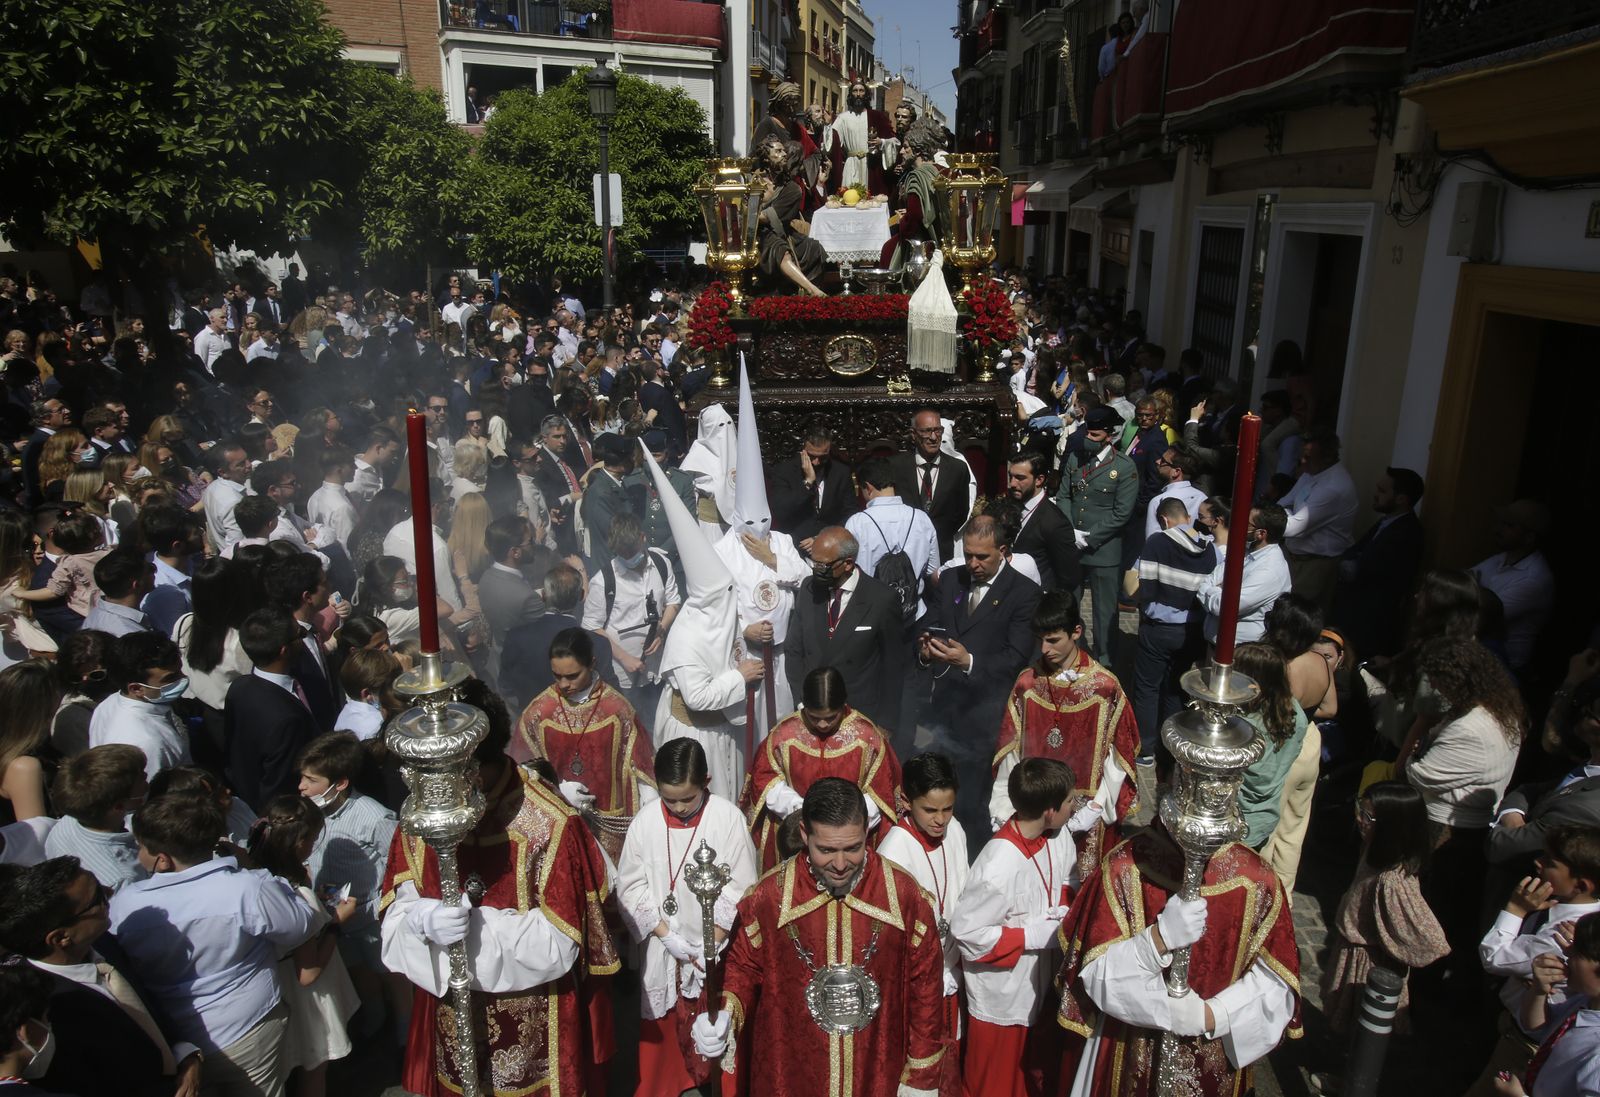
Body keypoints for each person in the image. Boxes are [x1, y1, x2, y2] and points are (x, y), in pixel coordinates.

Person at [379, 680, 619, 1097]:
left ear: (474, 765)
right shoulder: (423, 815)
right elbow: (399, 903)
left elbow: (562, 941)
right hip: (452, 1015)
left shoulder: (549, 824)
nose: (438, 792)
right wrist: (423, 919)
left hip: (532, 1021)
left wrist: (479, 929)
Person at [689, 778, 948, 1097]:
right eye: (826, 850)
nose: (840, 864)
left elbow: (926, 988)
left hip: (877, 1070)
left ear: (866, 832)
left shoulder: (904, 897)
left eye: (852, 848)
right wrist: (725, 1014)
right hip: (793, 1071)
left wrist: (921, 1075)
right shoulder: (768, 899)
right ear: (803, 835)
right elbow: (741, 969)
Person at [1054, 800, 1300, 1095]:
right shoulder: (1126, 867)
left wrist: (1210, 1016)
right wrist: (1158, 940)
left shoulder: (1258, 880)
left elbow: (1275, 984)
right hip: (1128, 1046)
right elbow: (1094, 975)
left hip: (1217, 1059)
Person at [110, 789, 317, 1097]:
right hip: (249, 1028)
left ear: (163, 860)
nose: (138, 853)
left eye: (141, 846)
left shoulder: (125, 904)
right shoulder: (248, 888)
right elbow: (300, 926)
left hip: (174, 1037)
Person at [615, 739, 760, 1097]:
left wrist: (710, 942)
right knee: (663, 1041)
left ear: (706, 781)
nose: (678, 807)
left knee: (718, 1032)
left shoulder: (727, 819)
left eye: (687, 799)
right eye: (670, 799)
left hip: (717, 948)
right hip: (667, 948)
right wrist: (667, 936)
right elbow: (630, 888)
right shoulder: (645, 822)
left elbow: (741, 887)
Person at [0, 856, 203, 1097]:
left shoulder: (103, 942)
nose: (109, 892)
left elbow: (145, 1006)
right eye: (97, 899)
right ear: (60, 938)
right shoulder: (36, 1003)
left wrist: (185, 1054)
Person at [953, 757, 1085, 1097]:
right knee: (995, 1086)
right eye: (1071, 800)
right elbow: (967, 934)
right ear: (1049, 811)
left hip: (1042, 989)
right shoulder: (998, 865)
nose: (1076, 805)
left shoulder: (1058, 836)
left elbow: (1069, 878)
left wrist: (1065, 911)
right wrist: (1029, 936)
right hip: (1005, 1000)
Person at [1403, 636, 1525, 994]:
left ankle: (1419, 989)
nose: (1436, 688)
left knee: (1429, 911)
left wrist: (1414, 749)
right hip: (1458, 827)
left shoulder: (1472, 727)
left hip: (1446, 831)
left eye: (1441, 681)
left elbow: (1419, 772)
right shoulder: (1495, 710)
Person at [642, 443, 763, 803]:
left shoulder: (714, 618)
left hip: (723, 730)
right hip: (697, 736)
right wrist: (739, 677)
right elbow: (697, 696)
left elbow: (727, 641)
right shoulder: (688, 637)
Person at [990, 592, 1138, 876]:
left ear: (1076, 632)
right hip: (1033, 808)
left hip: (1084, 813)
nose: (1044, 649)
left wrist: (1096, 808)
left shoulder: (1103, 688)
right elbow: (1011, 751)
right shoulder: (1028, 683)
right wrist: (1002, 805)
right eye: (1040, 640)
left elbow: (1119, 758)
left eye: (1054, 640)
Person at [919, 514, 1042, 843]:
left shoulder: (1024, 593)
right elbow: (933, 620)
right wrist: (926, 647)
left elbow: (1017, 658)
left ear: (1002, 551)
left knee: (973, 805)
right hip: (944, 712)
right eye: (968, 554)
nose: (972, 563)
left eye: (981, 556)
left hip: (986, 719)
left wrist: (969, 662)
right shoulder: (950, 580)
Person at [1467, 825, 1600, 1095]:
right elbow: (1539, 1027)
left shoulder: (1561, 937)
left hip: (1520, 1047)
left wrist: (1516, 909)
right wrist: (1539, 990)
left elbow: (1493, 956)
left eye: (1550, 862)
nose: (1537, 862)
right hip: (1531, 1034)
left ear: (1582, 884)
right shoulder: (1588, 925)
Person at [509, 627, 657, 863]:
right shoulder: (539, 713)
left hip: (610, 825)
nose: (564, 684)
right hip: (561, 822)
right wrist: (557, 790)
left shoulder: (616, 710)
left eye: (572, 675)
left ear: (592, 664)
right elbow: (520, 773)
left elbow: (641, 768)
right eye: (557, 676)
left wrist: (650, 807)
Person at [246, 794, 361, 1097]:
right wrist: (336, 924)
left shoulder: (254, 880)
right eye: (313, 838)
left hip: (273, 987)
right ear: (300, 841)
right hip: (307, 998)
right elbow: (307, 973)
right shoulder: (299, 897)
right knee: (314, 1067)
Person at [1320, 782, 1449, 1035]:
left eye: (1368, 816)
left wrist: (1388, 945)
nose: (1360, 819)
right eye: (1361, 810)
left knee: (1364, 1032)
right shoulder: (1371, 850)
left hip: (1368, 969)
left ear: (1392, 827)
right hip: (1351, 953)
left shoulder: (1392, 881)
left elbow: (1431, 940)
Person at [875, 752, 969, 1097]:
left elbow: (963, 886)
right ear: (905, 801)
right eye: (930, 810)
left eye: (948, 809)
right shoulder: (894, 851)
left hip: (950, 970)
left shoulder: (955, 831)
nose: (940, 820)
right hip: (915, 985)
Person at [744, 667, 900, 871]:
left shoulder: (867, 738)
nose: (823, 725)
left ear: (843, 705)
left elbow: (881, 793)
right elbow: (765, 780)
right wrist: (800, 810)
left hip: (848, 839)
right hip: (798, 835)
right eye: (814, 717)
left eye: (831, 717)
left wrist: (845, 821)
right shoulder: (784, 735)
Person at [295, 732, 399, 1029]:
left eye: (311, 780)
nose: (301, 787)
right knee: (359, 974)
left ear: (340, 783)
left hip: (370, 916)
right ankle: (374, 1024)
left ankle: (403, 1035)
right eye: (302, 778)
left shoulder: (374, 817)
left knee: (389, 976)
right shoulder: (310, 813)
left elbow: (397, 864)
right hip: (332, 915)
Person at [784, 526, 908, 739]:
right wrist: (803, 702)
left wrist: (886, 724)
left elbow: (894, 667)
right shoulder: (808, 589)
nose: (815, 570)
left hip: (859, 714)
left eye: (823, 565)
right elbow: (794, 650)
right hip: (812, 713)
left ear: (847, 564)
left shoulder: (881, 599)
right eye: (814, 563)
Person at [1054, 405, 1138, 660]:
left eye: (1096, 436)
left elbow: (1122, 513)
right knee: (1070, 607)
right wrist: (1072, 531)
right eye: (1087, 434)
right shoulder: (1075, 458)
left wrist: (1089, 537)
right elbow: (1063, 496)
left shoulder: (1124, 467)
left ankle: (1105, 661)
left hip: (1104, 551)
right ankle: (1071, 656)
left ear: (1110, 435)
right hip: (1074, 546)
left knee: (1104, 614)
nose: (1089, 439)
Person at [585, 512, 682, 725]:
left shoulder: (661, 564)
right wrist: (625, 658)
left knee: (658, 723)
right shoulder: (603, 581)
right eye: (623, 553)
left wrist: (662, 629)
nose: (629, 557)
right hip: (624, 675)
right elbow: (592, 627)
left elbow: (674, 602)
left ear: (642, 538)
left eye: (632, 551)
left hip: (657, 668)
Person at [225, 609, 322, 811]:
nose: (304, 639)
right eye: (300, 635)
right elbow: (280, 786)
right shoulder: (287, 720)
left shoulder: (239, 686)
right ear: (284, 650)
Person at [1333, 466, 1425, 659]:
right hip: (1354, 618)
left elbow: (1367, 569)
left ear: (1402, 499)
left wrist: (1355, 566)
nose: (1376, 495)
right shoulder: (1386, 522)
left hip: (1370, 625)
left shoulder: (1406, 532)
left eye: (1383, 491)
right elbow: (1352, 553)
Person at [41, 744, 150, 893]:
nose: (147, 778)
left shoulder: (69, 821)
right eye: (141, 778)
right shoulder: (122, 878)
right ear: (118, 806)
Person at [87, 631, 191, 780]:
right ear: (136, 689)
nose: (183, 679)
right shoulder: (146, 744)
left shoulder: (107, 705)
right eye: (171, 678)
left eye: (179, 671)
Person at [1470, 499, 1555, 673]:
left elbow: (1483, 617)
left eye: (1508, 525)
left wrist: (1466, 594)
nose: (1498, 529)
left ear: (1529, 537)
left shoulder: (1533, 578)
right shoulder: (1501, 558)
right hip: (1479, 655)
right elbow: (1463, 579)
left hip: (1504, 667)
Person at [1279, 430, 1359, 612]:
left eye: (1308, 457)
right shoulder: (1311, 473)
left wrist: (1278, 515)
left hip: (1314, 565)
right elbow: (1286, 501)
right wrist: (1284, 512)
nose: (1302, 462)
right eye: (1302, 456)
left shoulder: (1333, 488)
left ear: (1327, 457)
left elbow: (1294, 527)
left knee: (1295, 615)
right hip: (1293, 557)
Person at [846, 457, 941, 611]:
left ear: (868, 487)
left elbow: (848, 570)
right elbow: (933, 570)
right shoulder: (922, 519)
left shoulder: (857, 523)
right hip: (913, 611)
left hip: (869, 612)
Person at [1196, 501, 1292, 648]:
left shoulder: (1270, 570)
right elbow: (1207, 580)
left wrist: (1213, 589)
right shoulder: (1244, 550)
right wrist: (1217, 590)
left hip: (1240, 651)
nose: (1239, 526)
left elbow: (1224, 606)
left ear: (1261, 533)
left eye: (1246, 524)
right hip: (1216, 643)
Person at [890, 410, 971, 561]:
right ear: (913, 434)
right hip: (903, 549)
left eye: (938, 430)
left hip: (942, 548)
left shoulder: (957, 469)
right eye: (927, 431)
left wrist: (939, 533)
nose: (933, 437)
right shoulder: (895, 466)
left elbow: (961, 512)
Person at [767, 421, 858, 554]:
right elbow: (780, 510)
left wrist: (822, 537)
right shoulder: (783, 471)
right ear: (803, 451)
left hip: (830, 544)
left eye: (822, 457)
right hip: (794, 545)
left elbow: (850, 513)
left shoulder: (841, 472)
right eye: (812, 456)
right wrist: (808, 482)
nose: (816, 462)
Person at [754, 137, 827, 296]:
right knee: (779, 248)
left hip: (779, 230)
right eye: (778, 151)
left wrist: (753, 213)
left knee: (814, 248)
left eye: (784, 151)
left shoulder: (792, 189)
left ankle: (803, 292)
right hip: (756, 233)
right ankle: (813, 291)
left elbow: (769, 217)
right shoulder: (754, 181)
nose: (784, 154)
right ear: (766, 157)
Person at [1007, 452, 1080, 593]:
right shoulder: (1009, 506)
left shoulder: (1055, 522)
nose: (1012, 484)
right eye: (1011, 476)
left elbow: (1069, 577)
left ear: (1039, 480)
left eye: (1020, 478)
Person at [475, 514, 545, 650]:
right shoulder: (526, 597)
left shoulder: (486, 577)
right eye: (530, 541)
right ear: (515, 552)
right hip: (523, 660)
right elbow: (547, 630)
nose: (534, 544)